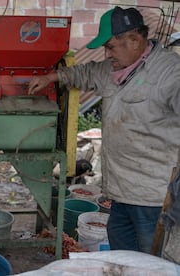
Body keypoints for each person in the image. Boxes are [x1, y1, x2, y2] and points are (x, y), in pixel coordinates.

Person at [28, 6, 180, 254]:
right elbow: (84, 72)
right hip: (119, 195)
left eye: (110, 46)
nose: (107, 53)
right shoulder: (113, 69)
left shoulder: (170, 72)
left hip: (152, 199)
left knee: (151, 264)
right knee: (121, 258)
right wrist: (51, 77)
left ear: (134, 39)